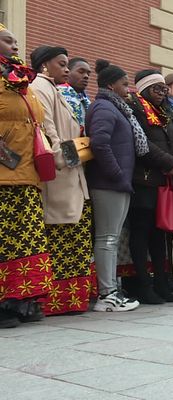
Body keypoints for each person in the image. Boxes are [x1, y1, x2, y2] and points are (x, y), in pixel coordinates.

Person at [30, 46, 95, 315]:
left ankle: (71, 300)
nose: (67, 70)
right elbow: (50, 137)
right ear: (45, 65)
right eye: (62, 64)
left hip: (72, 176)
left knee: (75, 239)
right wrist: (81, 151)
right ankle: (57, 302)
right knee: (62, 238)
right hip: (61, 176)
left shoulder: (54, 89)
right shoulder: (41, 88)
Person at [0, 24, 53, 328]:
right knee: (5, 241)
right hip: (5, 175)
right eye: (8, 41)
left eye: (16, 41)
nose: (15, 46)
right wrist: (7, 157)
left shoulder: (19, 80)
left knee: (26, 242)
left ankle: (21, 301)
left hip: (26, 175)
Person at [85, 60, 140, 312]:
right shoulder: (106, 108)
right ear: (111, 84)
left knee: (111, 237)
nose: (129, 89)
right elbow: (100, 143)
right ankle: (107, 293)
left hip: (116, 183)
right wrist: (118, 175)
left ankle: (110, 290)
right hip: (109, 183)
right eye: (125, 84)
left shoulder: (114, 107)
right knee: (107, 238)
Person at [126, 69, 173, 304]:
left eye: (164, 89)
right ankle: (143, 284)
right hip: (144, 179)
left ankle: (162, 281)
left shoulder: (165, 111)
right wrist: (168, 162)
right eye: (157, 89)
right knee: (141, 233)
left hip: (163, 180)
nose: (162, 93)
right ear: (144, 90)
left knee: (159, 235)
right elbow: (142, 143)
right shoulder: (136, 109)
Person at [57, 57, 91, 132]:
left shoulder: (86, 100)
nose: (86, 76)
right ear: (67, 72)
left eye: (88, 73)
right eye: (81, 72)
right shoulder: (57, 93)